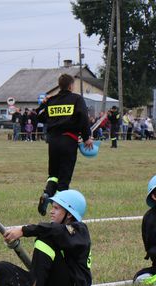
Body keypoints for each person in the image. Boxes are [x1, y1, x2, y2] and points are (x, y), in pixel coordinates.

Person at [35, 74, 93, 216]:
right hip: (68, 141)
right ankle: (59, 207)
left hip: (53, 142)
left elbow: (39, 115)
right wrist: (87, 137)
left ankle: (47, 193)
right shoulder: (76, 99)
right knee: (64, 177)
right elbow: (83, 118)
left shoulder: (52, 100)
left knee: (53, 174)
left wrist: (44, 103)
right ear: (70, 86)